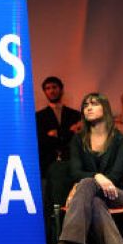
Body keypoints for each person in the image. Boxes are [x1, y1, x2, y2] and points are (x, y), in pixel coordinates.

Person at [49, 93, 123, 244]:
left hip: (117, 194)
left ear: (105, 108)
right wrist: (96, 176)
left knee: (87, 183)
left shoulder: (121, 140)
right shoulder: (78, 140)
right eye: (85, 104)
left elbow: (114, 175)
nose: (88, 107)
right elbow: (75, 172)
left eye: (94, 104)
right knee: (96, 203)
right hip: (91, 198)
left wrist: (95, 178)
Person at [35, 76, 82, 210]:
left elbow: (76, 139)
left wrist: (56, 134)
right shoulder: (39, 116)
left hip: (72, 161)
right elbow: (42, 141)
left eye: (54, 87)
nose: (51, 91)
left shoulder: (75, 114)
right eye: (48, 88)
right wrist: (68, 132)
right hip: (49, 164)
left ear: (61, 89)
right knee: (53, 201)